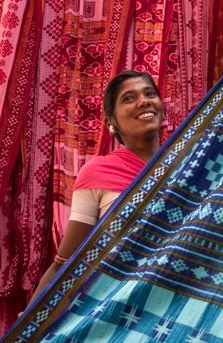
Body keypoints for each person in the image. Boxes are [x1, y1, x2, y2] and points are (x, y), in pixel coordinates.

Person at [31, 70, 164, 299]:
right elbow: (65, 263)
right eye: (129, 98)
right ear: (111, 121)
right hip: (118, 305)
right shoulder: (98, 173)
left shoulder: (189, 163)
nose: (144, 102)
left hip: (181, 303)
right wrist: (28, 325)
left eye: (150, 94)